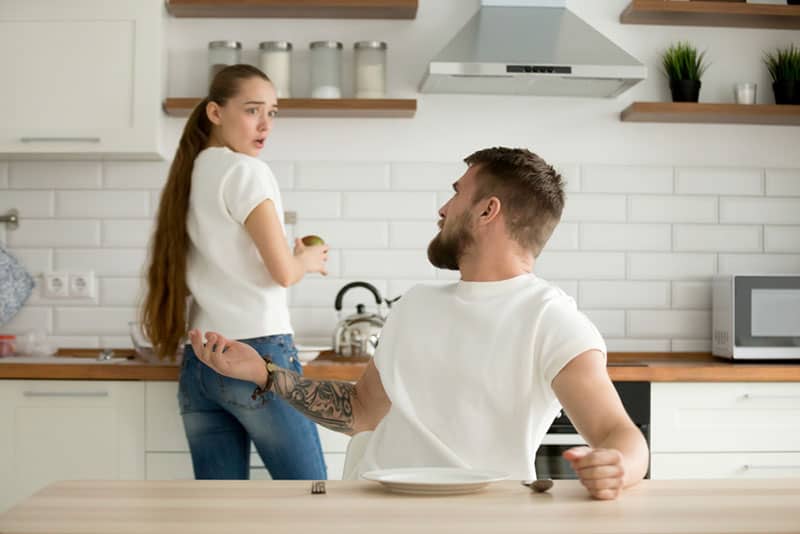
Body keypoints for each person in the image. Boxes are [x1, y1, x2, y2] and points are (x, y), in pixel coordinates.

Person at [188, 147, 650, 499]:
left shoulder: (550, 317)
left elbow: (619, 434)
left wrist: (619, 466)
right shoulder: (416, 304)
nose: (443, 210)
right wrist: (264, 374)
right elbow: (360, 411)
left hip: (483, 521)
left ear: (488, 210)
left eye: (455, 193)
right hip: (373, 513)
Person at [141, 64, 329, 480]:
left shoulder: (191, 175)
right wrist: (308, 261)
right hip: (257, 356)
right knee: (310, 497)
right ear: (214, 112)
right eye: (252, 110)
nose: (265, 124)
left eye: (273, 112)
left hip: (201, 361)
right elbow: (282, 271)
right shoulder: (247, 171)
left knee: (217, 513)